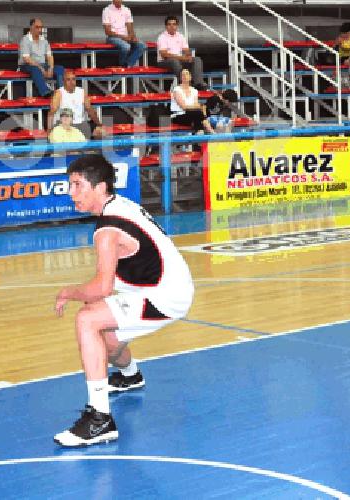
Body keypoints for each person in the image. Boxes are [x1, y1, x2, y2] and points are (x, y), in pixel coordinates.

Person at [52, 153, 194, 447]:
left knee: (87, 318)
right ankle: (130, 376)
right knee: (108, 338)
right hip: (161, 285)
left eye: (77, 185)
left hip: (165, 293)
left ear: (100, 187)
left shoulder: (107, 229)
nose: (71, 193)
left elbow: (101, 288)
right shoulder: (120, 205)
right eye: (70, 185)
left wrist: (69, 292)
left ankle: (100, 419)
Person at [47, 70, 107, 139]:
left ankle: (92, 149)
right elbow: (51, 113)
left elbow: (90, 110)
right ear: (63, 82)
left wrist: (99, 124)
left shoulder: (81, 91)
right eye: (68, 80)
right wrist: (49, 130)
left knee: (102, 132)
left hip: (80, 124)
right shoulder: (59, 93)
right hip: (64, 125)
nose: (71, 82)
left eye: (73, 79)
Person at [18, 18, 66, 98]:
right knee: (35, 69)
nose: (39, 29)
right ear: (31, 27)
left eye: (41, 27)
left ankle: (61, 92)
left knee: (60, 68)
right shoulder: (25, 40)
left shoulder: (44, 40)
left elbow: (50, 56)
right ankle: (45, 92)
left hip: (43, 65)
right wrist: (41, 68)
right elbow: (27, 59)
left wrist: (50, 68)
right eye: (37, 27)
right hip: (27, 65)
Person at [156, 16, 206, 90]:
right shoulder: (162, 37)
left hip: (179, 60)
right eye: (169, 24)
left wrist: (188, 56)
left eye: (174, 24)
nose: (172, 26)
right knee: (174, 61)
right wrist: (181, 58)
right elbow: (164, 55)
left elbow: (186, 50)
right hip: (164, 62)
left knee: (196, 59)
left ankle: (198, 84)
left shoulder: (180, 36)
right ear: (166, 26)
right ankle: (184, 83)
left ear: (177, 26)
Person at [102, 0, 146, 68]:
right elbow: (108, 32)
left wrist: (133, 37)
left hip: (126, 37)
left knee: (142, 45)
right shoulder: (107, 10)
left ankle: (127, 65)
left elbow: (130, 27)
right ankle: (122, 65)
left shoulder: (126, 10)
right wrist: (123, 37)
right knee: (126, 46)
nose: (119, 1)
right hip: (113, 37)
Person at [170, 68, 212, 134]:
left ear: (190, 77)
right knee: (198, 113)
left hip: (193, 114)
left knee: (200, 113)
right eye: (182, 75)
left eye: (186, 74)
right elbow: (184, 107)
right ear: (180, 78)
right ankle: (209, 130)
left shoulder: (194, 91)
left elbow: (195, 104)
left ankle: (200, 132)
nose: (184, 76)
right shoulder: (176, 90)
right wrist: (199, 107)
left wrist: (199, 107)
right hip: (179, 115)